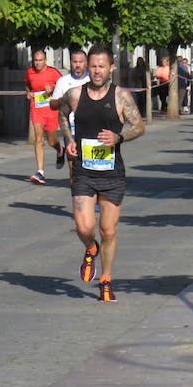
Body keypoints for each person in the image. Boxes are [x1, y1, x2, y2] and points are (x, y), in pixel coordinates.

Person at [57, 44, 146, 303]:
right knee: (83, 226)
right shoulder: (75, 94)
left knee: (108, 230)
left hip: (111, 174)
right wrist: (68, 139)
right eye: (92, 66)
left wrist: (118, 136)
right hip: (83, 171)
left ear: (111, 68)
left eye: (101, 66)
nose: (96, 71)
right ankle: (90, 248)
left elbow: (139, 126)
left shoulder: (121, 97)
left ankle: (105, 280)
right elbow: (62, 114)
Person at [49, 46, 89, 184]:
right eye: (74, 62)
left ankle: (92, 201)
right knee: (73, 170)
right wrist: (65, 99)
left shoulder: (93, 81)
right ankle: (77, 200)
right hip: (70, 131)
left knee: (92, 170)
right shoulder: (63, 82)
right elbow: (52, 105)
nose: (77, 65)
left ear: (86, 63)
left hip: (92, 129)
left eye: (81, 62)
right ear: (71, 63)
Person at [25, 50, 65, 184]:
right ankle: (40, 172)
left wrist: (52, 91)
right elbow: (27, 83)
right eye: (36, 60)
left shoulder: (53, 72)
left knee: (51, 141)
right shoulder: (30, 72)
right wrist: (29, 92)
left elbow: (63, 87)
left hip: (51, 109)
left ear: (45, 61)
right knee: (39, 138)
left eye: (40, 60)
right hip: (37, 108)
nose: (37, 63)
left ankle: (60, 150)